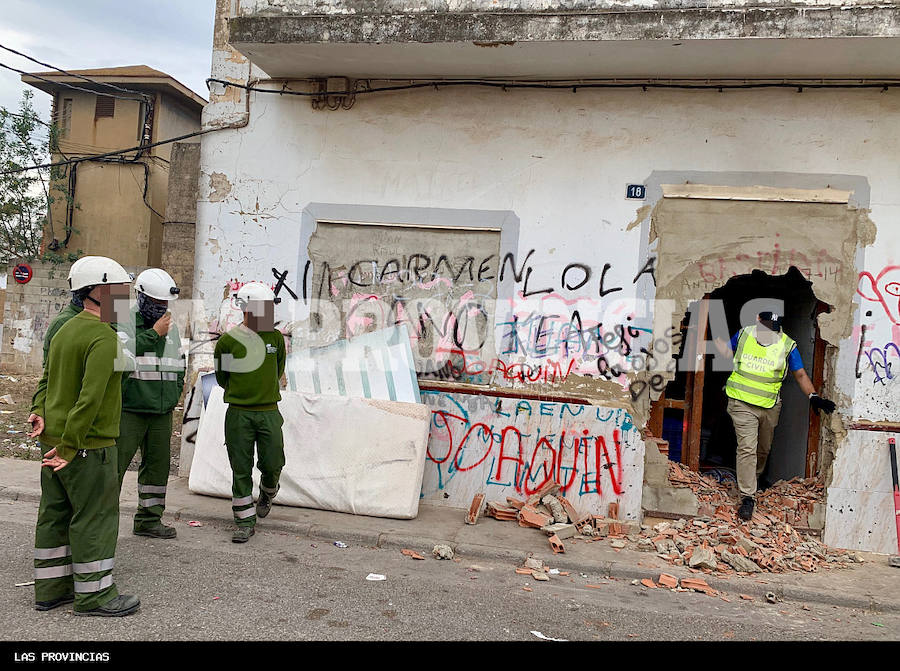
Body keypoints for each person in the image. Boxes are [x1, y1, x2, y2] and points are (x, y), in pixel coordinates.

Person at [28, 256, 141, 616]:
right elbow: (89, 399)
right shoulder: (104, 338)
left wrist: (38, 411)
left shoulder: (65, 329)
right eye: (122, 292)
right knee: (95, 518)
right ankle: (95, 596)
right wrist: (72, 446)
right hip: (86, 447)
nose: (127, 300)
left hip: (54, 443)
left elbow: (48, 379)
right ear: (99, 292)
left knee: (55, 515)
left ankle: (50, 590)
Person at [717, 311, 836, 522]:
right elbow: (726, 352)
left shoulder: (787, 345)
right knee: (747, 448)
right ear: (757, 321)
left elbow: (799, 374)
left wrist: (814, 397)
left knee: (763, 449)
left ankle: (752, 480)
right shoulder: (744, 335)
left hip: (769, 405)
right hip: (741, 401)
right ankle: (747, 497)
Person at [213, 282, 286, 543]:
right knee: (241, 468)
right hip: (239, 415)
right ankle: (244, 521)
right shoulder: (228, 342)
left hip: (268, 412)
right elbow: (223, 377)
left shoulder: (275, 338)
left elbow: (277, 370)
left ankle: (268, 491)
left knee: (273, 461)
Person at [116, 268, 185, 539]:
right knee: (114, 467)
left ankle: (149, 520)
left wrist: (173, 397)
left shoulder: (171, 328)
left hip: (161, 411)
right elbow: (121, 357)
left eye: (164, 305)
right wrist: (154, 334)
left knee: (158, 468)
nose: (161, 309)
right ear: (141, 298)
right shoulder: (121, 321)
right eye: (156, 304)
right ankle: (101, 519)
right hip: (129, 409)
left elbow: (178, 365)